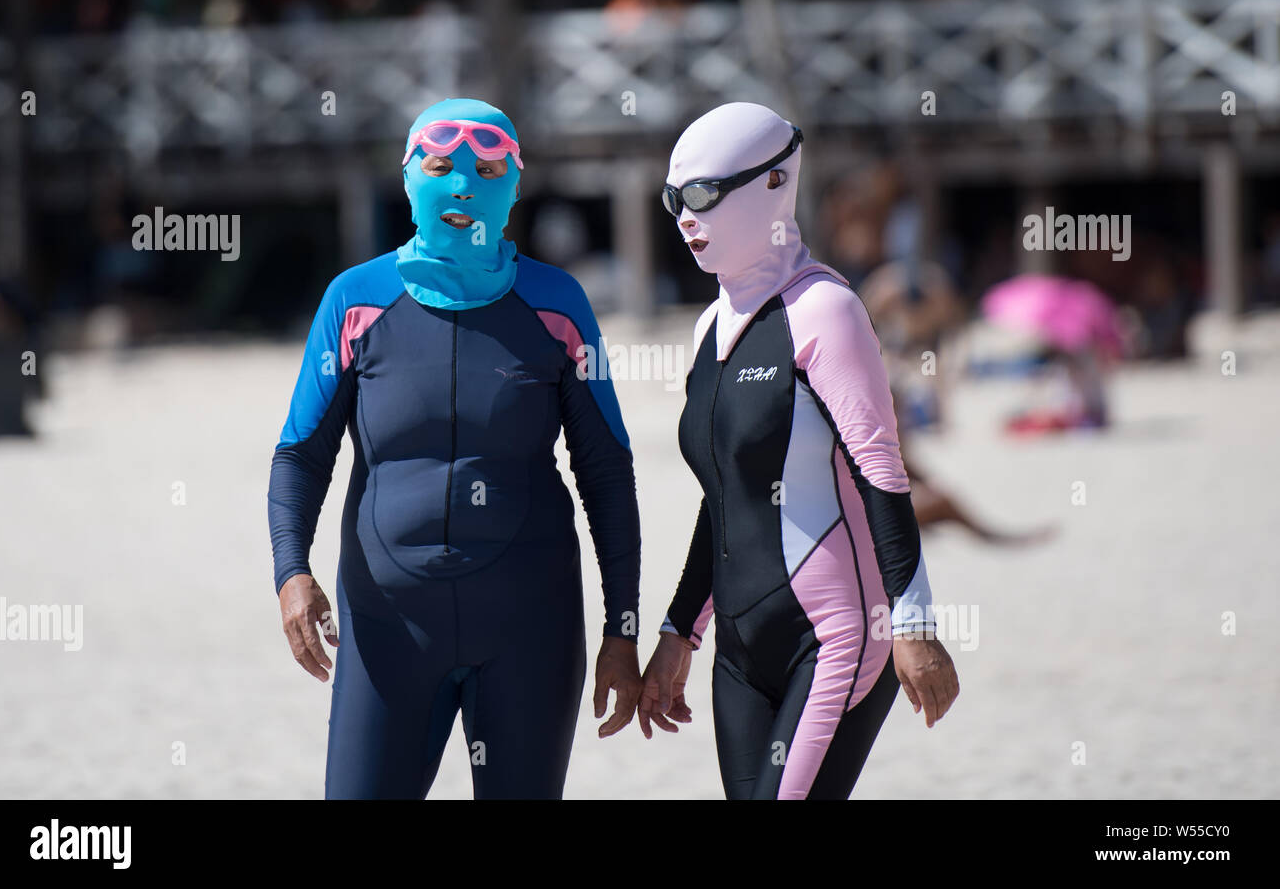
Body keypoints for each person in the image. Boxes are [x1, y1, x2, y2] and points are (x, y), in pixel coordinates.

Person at [267, 98, 643, 799]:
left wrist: (622, 632)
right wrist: (292, 573)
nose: (463, 184)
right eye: (440, 165)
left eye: (489, 167)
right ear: (409, 179)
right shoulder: (355, 300)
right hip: (387, 629)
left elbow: (606, 472)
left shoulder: (557, 304)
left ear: (516, 185)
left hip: (530, 625)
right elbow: (300, 453)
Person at [638, 103, 959, 799]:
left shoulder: (825, 311)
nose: (684, 217)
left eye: (702, 195)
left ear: (775, 184)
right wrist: (678, 632)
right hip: (739, 651)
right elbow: (724, 496)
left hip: (835, 634)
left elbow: (882, 474)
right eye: (673, 200)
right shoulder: (706, 328)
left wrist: (917, 623)